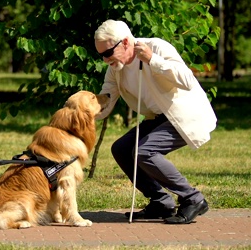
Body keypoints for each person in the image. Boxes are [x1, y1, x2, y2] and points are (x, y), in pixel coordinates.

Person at [93, 19, 217, 224]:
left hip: (182, 115)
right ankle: (161, 202)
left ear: (125, 42)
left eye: (107, 53)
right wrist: (81, 113)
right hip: (158, 117)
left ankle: (193, 198)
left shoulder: (156, 47)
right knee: (122, 149)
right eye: (101, 55)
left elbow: (187, 80)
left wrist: (152, 60)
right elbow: (106, 97)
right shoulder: (116, 67)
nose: (105, 60)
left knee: (144, 151)